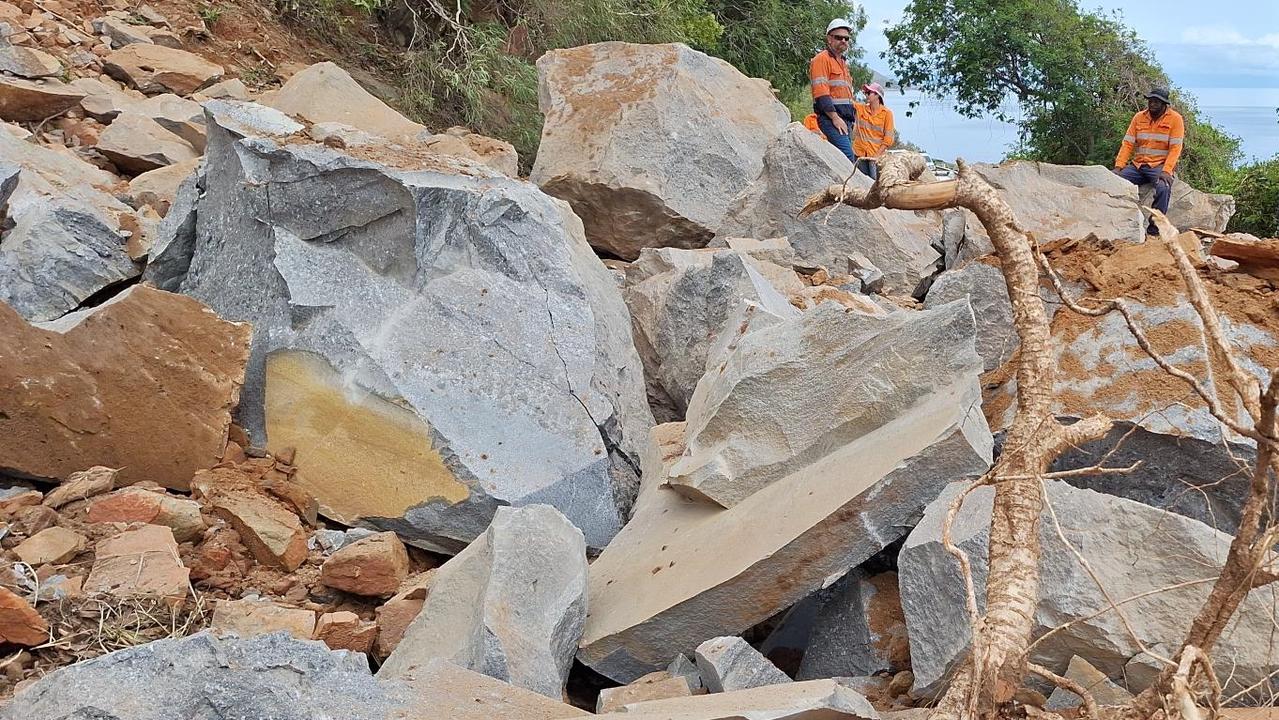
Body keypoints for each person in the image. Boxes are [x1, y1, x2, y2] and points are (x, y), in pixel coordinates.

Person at [1113, 87, 1185, 236]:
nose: (1152, 104)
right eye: (1150, 101)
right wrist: (1118, 167)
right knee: (1113, 182)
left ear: (1164, 104)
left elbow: (1175, 148)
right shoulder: (1139, 117)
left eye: (1156, 102)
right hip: (1138, 166)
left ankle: (1154, 230)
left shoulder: (1175, 119)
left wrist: (1167, 170)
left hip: (1158, 166)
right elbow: (1127, 143)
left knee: (1163, 188)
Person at [809, 18, 857, 163]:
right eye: (838, 37)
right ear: (829, 39)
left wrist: (852, 120)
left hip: (845, 120)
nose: (843, 40)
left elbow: (847, 96)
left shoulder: (843, 63)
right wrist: (835, 118)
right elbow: (821, 94)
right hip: (831, 119)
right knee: (847, 158)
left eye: (846, 38)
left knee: (841, 159)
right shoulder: (821, 60)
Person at [851, 82, 894, 179]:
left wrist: (876, 156)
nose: (866, 94)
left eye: (869, 92)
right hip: (859, 154)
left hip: (875, 156)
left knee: (874, 184)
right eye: (866, 92)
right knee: (861, 183)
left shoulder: (887, 114)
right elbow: (848, 101)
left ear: (877, 95)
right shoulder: (861, 109)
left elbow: (888, 139)